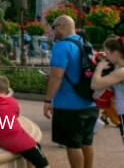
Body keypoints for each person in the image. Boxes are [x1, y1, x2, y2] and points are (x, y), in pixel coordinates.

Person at [43, 15, 97, 168]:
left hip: (69, 105)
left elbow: (57, 76)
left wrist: (48, 101)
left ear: (61, 26)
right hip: (90, 103)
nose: (53, 31)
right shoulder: (86, 43)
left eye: (54, 27)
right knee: (87, 142)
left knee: (73, 145)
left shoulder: (62, 46)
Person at [0, 76, 49, 168]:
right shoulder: (13, 102)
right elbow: (16, 115)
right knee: (43, 163)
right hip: (17, 140)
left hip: (3, 140)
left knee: (36, 146)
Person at [91, 36, 124, 146]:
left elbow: (95, 84)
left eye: (107, 53)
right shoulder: (119, 68)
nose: (106, 56)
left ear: (115, 53)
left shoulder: (121, 71)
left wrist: (99, 67)